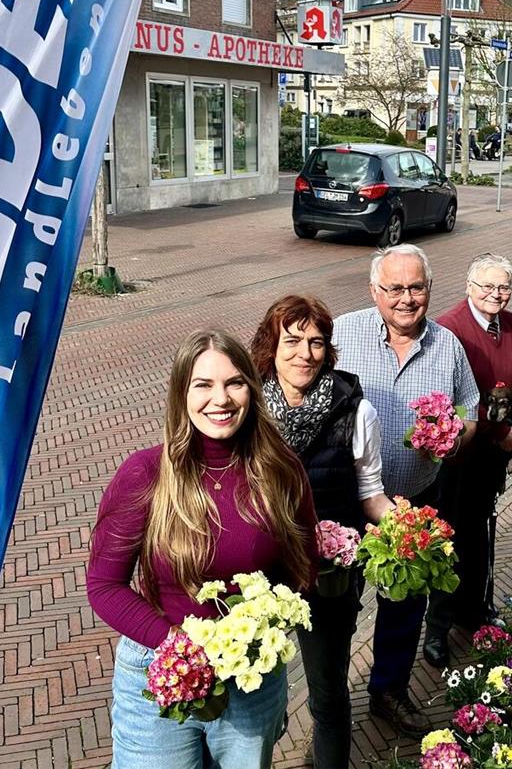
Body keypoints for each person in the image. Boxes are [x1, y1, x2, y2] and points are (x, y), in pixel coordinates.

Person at [88, 329, 317, 768]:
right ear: (181, 393)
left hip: (249, 677)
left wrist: (262, 626)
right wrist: (174, 644)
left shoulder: (281, 469)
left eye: (234, 383)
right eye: (203, 385)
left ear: (252, 388)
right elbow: (104, 585)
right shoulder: (145, 475)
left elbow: (303, 563)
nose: (221, 399)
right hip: (161, 669)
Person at [332, 244, 480, 736]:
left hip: (416, 499)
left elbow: (471, 410)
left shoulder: (448, 345)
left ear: (429, 289)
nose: (405, 298)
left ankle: (388, 691)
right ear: (374, 290)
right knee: (339, 604)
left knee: (405, 602)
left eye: (415, 287)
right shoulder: (342, 334)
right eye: (394, 288)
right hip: (349, 504)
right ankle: (330, 703)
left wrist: (456, 434)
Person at [250, 295, 393, 768]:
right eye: (292, 341)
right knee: (252, 701)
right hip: (256, 577)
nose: (304, 354)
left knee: (327, 695)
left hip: (327, 577)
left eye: (316, 342)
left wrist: (406, 528)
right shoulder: (247, 409)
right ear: (272, 346)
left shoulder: (356, 412)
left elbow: (371, 493)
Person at [424, 253, 512, 669]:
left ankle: (474, 611)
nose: (496, 294)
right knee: (450, 540)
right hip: (461, 457)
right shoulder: (450, 328)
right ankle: (436, 629)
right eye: (488, 286)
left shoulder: (510, 324)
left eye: (503, 287)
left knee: (481, 533)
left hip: (496, 453)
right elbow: (453, 399)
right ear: (469, 287)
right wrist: (499, 434)